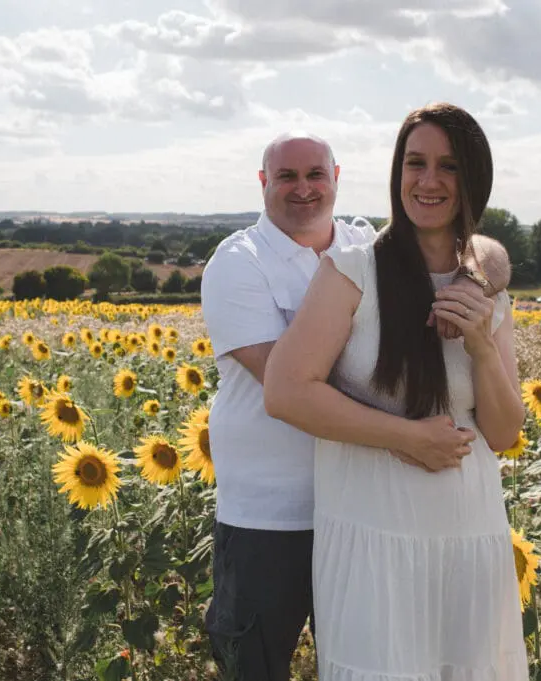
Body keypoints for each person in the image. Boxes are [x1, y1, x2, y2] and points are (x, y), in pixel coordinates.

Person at [200, 128, 512, 680]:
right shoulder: (239, 263)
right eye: (286, 176)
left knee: (371, 659)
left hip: (364, 506)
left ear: (337, 178)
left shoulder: (359, 242)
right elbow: (290, 383)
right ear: (263, 182)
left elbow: (482, 248)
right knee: (257, 663)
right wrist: (410, 429)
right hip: (273, 510)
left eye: (315, 175)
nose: (303, 189)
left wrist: (474, 278)